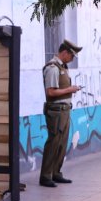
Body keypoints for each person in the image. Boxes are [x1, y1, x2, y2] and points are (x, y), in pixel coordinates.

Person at [40, 39, 83, 187]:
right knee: (53, 143)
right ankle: (46, 176)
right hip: (55, 111)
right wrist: (70, 90)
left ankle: (56, 173)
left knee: (61, 144)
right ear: (64, 52)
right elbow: (51, 92)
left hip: (64, 111)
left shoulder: (62, 67)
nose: (72, 59)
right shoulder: (53, 68)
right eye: (71, 56)